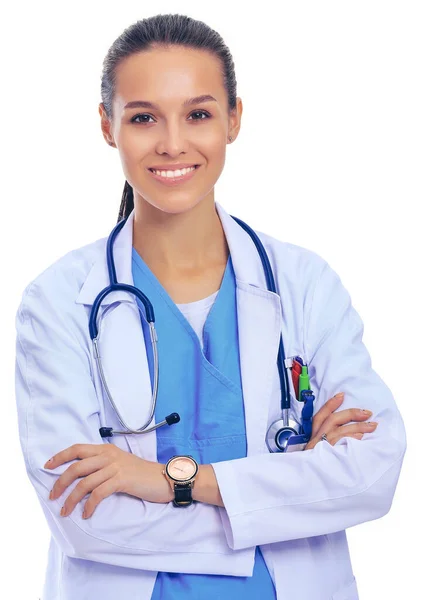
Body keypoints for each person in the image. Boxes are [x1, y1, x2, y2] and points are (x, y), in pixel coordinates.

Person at [14, 13, 406, 600]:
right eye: (144, 118)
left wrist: (170, 481)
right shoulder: (58, 302)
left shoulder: (303, 284)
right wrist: (291, 496)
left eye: (197, 114)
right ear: (107, 126)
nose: (173, 143)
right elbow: (84, 519)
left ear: (234, 119)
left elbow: (373, 472)